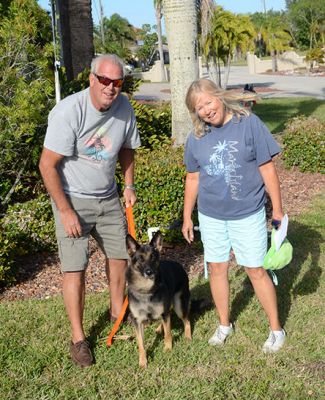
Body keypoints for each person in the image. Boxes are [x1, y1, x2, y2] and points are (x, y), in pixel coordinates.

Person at [39, 54, 141, 367]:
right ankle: (79, 340)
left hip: (108, 197)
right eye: (105, 81)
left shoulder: (124, 107)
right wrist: (66, 211)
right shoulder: (70, 110)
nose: (111, 88)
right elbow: (47, 165)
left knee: (120, 258)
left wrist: (128, 186)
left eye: (118, 82)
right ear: (92, 80)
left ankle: (116, 313)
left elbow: (126, 148)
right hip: (73, 197)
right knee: (75, 268)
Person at [182, 78, 286, 353]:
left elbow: (267, 169)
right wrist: (186, 217)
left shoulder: (248, 123)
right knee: (217, 267)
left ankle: (276, 329)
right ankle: (224, 324)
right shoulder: (196, 137)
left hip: (247, 213)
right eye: (198, 107)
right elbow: (192, 178)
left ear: (219, 97)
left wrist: (277, 209)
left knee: (255, 269)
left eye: (208, 101)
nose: (205, 110)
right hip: (211, 215)